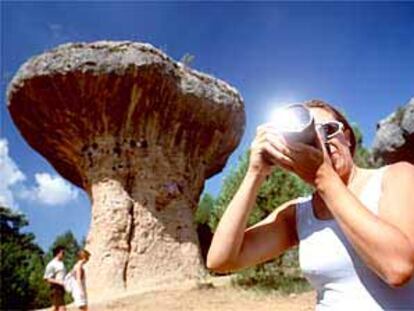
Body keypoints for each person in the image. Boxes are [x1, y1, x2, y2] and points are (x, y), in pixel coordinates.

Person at [207, 99, 414, 309]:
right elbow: (221, 260)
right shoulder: (299, 213)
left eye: (329, 130)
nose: (321, 141)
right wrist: (255, 172)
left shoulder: (396, 176)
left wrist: (323, 178)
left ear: (348, 138)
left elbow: (398, 268)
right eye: (309, 136)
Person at [44, 245, 67, 311]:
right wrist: (59, 281)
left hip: (61, 288)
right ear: (57, 253)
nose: (64, 254)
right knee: (62, 308)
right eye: (63, 253)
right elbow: (47, 278)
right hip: (55, 288)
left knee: (55, 308)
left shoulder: (61, 263)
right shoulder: (52, 264)